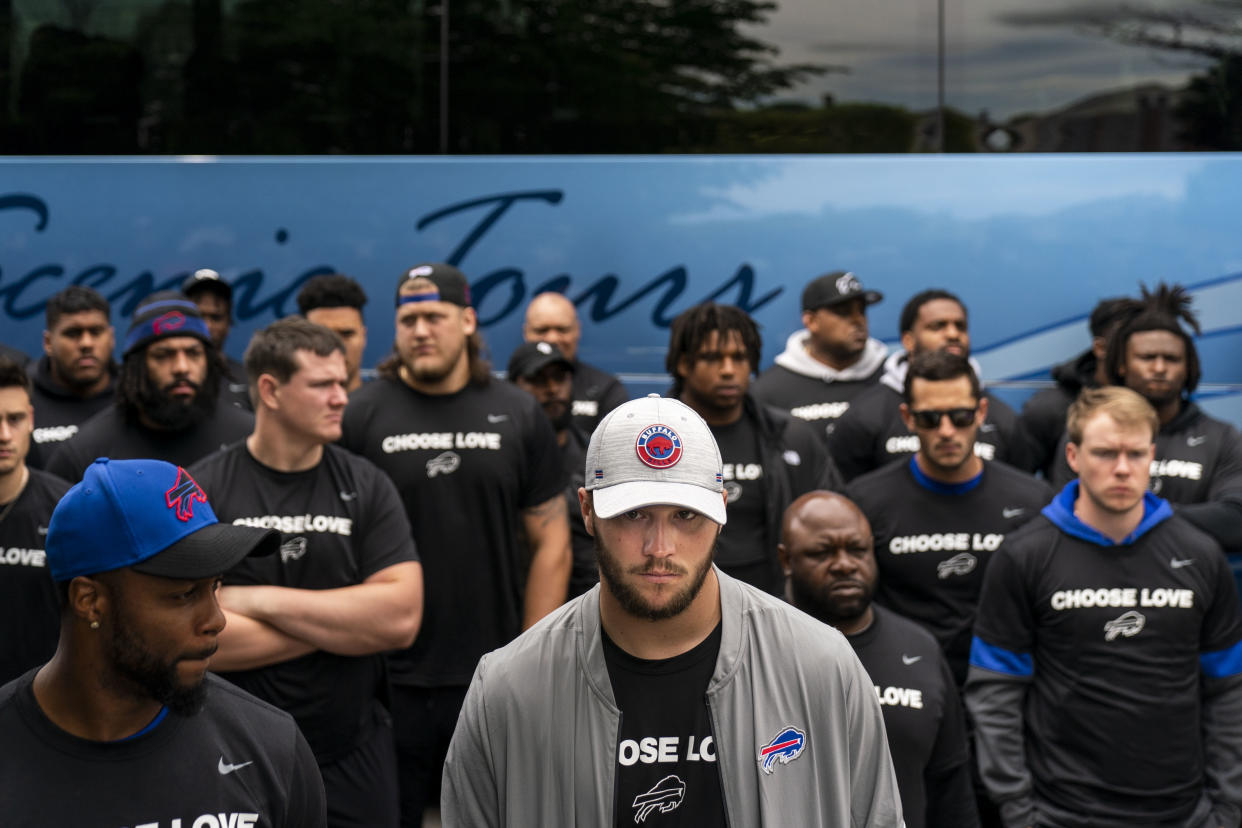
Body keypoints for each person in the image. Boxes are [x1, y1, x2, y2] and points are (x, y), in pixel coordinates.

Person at [441, 395, 904, 826]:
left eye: (686, 515)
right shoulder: (506, 689)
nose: (659, 548)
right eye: (633, 513)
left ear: (721, 511)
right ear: (586, 510)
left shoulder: (822, 667)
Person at [340, 262, 570, 826]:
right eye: (408, 319)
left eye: (434, 317)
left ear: (467, 320)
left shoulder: (517, 412)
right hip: (384, 684)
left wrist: (529, 659)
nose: (420, 330)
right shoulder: (362, 414)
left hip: (489, 675)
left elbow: (552, 543)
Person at [967, 387, 1242, 828]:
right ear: (1072, 456)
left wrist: (1228, 809)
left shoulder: (1201, 555)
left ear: (1152, 456)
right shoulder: (1025, 555)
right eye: (1105, 453)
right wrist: (1018, 810)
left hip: (1182, 811)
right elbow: (995, 691)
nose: (1121, 469)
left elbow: (1228, 691)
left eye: (1135, 454)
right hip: (1062, 813)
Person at [0, 457, 326, 827]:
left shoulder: (271, 748)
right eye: (185, 594)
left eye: (214, 585)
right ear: (90, 601)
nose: (216, 620)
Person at [191, 317, 423, 828]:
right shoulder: (203, 489)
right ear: (270, 390)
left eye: (343, 382)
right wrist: (346, 626)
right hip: (231, 752)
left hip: (351, 751)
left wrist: (256, 601)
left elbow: (400, 619)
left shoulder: (367, 484)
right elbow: (194, 639)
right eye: (323, 385)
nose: (342, 397)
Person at [846, 351, 1051, 684]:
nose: (946, 431)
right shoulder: (864, 501)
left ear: (981, 413)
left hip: (1001, 685)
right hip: (902, 682)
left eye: (960, 416)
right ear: (908, 418)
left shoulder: (1032, 500)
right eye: (929, 419)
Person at [779, 490, 978, 828]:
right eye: (821, 553)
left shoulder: (920, 648)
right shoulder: (754, 645)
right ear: (786, 561)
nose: (844, 564)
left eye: (857, 550)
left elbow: (951, 788)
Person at [1050, 284, 1242, 557]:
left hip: (1186, 585)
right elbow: (1069, 515)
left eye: (1172, 359)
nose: (1160, 368)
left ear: (1189, 368)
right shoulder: (1086, 433)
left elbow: (1235, 522)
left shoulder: (1222, 437)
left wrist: (1132, 515)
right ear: (1121, 365)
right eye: (1147, 357)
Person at [665, 301, 843, 594]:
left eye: (739, 357)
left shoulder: (792, 437)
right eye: (712, 358)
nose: (728, 370)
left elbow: (832, 524)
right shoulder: (649, 439)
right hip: (677, 600)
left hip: (773, 604)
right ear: (684, 363)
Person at [828, 289, 1034, 482]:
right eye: (938, 326)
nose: (953, 334)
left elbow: (1019, 488)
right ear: (908, 340)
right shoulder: (865, 416)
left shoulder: (1002, 418)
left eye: (960, 326)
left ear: (980, 413)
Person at [46, 291, 253, 481]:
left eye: (193, 353)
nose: (182, 367)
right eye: (163, 355)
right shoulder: (85, 454)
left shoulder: (247, 437)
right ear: (137, 367)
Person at [507, 339, 598, 598]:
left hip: (590, 603)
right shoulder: (501, 461)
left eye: (560, 378)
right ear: (513, 387)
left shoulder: (594, 453)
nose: (552, 389)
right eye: (538, 380)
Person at [752, 271, 888, 442]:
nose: (858, 320)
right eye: (843, 312)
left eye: (861, 311)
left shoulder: (891, 378)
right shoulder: (768, 390)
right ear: (811, 321)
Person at [0, 357, 70, 685]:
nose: (4, 435)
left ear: (30, 419)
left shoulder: (67, 510)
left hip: (44, 708)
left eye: (14, 419)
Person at [1019, 296, 1136, 478]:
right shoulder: (1049, 409)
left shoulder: (1160, 406)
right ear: (1100, 348)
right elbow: (1017, 484)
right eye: (1127, 343)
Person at [25, 285, 117, 469]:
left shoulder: (136, 395)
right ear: (48, 342)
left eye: (96, 331)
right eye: (73, 333)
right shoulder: (23, 397)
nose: (86, 343)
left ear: (111, 337)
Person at [523, 290, 628, 433]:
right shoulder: (509, 389)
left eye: (562, 329)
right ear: (526, 333)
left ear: (577, 330)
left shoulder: (606, 390)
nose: (552, 338)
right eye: (542, 330)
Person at [183, 268, 251, 409]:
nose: (207, 326)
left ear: (229, 322)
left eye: (216, 317)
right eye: (199, 316)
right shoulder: (169, 377)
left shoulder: (248, 379)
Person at [297, 273, 370, 392]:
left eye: (346, 334)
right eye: (322, 335)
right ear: (301, 340)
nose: (336, 347)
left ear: (364, 336)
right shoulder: (283, 409)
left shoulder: (389, 408)